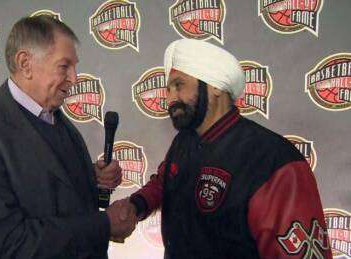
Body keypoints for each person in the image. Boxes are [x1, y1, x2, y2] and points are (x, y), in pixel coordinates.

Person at [0, 16, 136, 259]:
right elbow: (3, 246)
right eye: (64, 66)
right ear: (25, 63)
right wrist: (104, 224)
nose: (74, 78)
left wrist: (92, 180)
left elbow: (55, 194)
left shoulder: (56, 118)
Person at [118, 39, 332, 259]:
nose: (170, 99)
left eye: (179, 85)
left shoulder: (275, 161)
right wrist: (136, 205)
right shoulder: (184, 141)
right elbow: (165, 182)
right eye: (168, 89)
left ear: (215, 86)